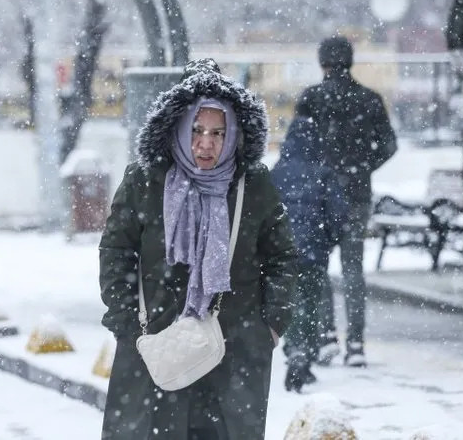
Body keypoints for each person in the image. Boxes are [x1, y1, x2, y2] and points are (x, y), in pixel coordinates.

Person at [99, 58, 298, 439]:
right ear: (177, 126)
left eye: (219, 133)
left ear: (234, 134)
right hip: (156, 343)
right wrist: (126, 322)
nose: (206, 143)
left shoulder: (252, 184)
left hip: (234, 349)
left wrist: (270, 324)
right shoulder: (146, 179)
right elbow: (116, 250)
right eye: (197, 129)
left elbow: (282, 257)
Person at [296, 36, 397, 367]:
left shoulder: (311, 99)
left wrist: (317, 172)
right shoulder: (369, 99)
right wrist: (363, 166)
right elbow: (389, 144)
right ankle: (356, 344)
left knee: (319, 267)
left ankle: (326, 337)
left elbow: (298, 145)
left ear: (322, 62)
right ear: (350, 61)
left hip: (320, 198)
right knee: (353, 269)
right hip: (356, 194)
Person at [270, 117, 347, 392]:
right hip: (314, 252)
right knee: (312, 303)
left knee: (290, 304)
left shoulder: (276, 173)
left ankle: (294, 350)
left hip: (283, 255)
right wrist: (328, 241)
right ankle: (307, 352)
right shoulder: (322, 173)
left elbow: (264, 215)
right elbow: (338, 215)